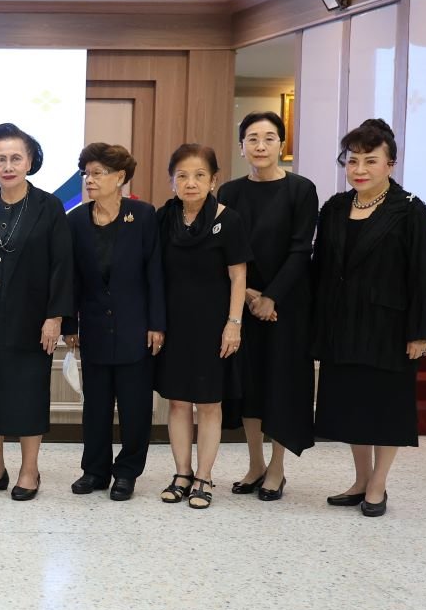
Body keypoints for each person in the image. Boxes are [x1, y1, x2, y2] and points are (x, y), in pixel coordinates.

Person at [313, 119, 426, 518]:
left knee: (386, 409)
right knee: (353, 406)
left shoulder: (410, 210)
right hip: (343, 325)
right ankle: (360, 478)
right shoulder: (334, 208)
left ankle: (379, 484)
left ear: (391, 164)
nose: (360, 169)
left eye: (371, 160)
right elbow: (320, 269)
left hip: (389, 328)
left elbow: (424, 275)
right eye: (352, 161)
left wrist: (421, 332)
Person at [0, 123, 72, 501]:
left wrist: (56, 316)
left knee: (28, 394)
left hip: (32, 320)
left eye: (15, 158)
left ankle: (29, 470)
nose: (8, 165)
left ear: (29, 161)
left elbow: (62, 264)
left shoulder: (50, 207)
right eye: (0, 159)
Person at [217, 112, 318, 501]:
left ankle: (277, 468)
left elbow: (301, 249)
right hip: (243, 303)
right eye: (253, 139)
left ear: (281, 144)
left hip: (287, 306)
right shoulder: (228, 192)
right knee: (248, 386)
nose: (261, 146)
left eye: (269, 138)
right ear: (241, 146)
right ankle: (255, 463)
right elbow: (222, 251)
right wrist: (249, 296)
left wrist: (272, 296)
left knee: (281, 386)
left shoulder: (300, 189)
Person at [63, 143, 164, 501]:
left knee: (135, 407)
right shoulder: (75, 219)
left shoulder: (143, 215)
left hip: (136, 327)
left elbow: (155, 273)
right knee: (96, 406)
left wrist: (157, 323)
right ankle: (95, 470)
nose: (89, 180)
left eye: (98, 173)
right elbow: (70, 277)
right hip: (92, 328)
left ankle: (127, 471)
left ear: (120, 177)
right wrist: (69, 325)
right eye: (86, 173)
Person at [155, 144, 250, 510]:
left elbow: (238, 276)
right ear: (172, 181)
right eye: (182, 175)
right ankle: (181, 473)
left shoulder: (229, 219)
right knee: (178, 402)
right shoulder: (165, 218)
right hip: (174, 325)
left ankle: (205, 476)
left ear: (213, 179)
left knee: (209, 403)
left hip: (215, 325)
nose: (190, 183)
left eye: (199, 175)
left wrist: (234, 324)